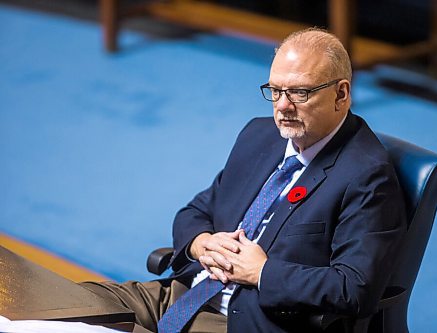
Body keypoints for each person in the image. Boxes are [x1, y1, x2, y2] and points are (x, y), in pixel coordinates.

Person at [81, 28, 406, 333]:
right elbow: (196, 210)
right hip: (179, 296)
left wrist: (263, 272)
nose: (282, 106)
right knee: (58, 304)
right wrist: (200, 243)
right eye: (275, 91)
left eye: (299, 93)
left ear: (341, 94)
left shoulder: (366, 175)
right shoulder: (259, 135)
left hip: (245, 321)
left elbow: (354, 288)